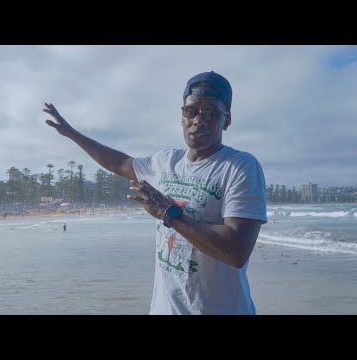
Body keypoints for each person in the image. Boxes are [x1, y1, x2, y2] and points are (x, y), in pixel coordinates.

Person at [43, 71, 267, 315]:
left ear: (227, 120)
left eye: (211, 113)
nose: (199, 120)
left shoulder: (240, 167)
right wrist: (72, 134)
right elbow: (120, 163)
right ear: (182, 115)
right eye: (191, 111)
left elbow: (236, 250)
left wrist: (169, 212)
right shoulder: (166, 161)